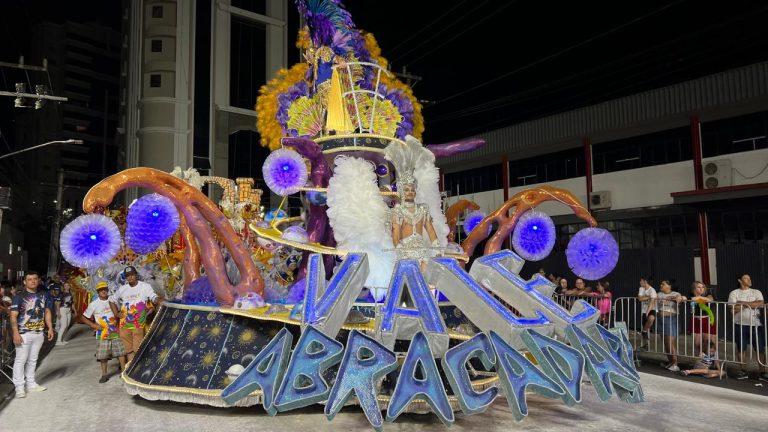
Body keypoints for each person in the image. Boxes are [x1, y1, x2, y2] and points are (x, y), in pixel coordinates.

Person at [10, 271, 54, 398]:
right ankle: (19, 387)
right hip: (23, 334)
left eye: (35, 279)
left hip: (39, 332)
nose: (33, 281)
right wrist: (15, 333)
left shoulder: (43, 295)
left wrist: (50, 328)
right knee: (20, 360)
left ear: (38, 280)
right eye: (29, 279)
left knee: (33, 360)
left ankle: (31, 384)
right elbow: (13, 316)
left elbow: (47, 311)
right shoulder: (19, 296)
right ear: (25, 282)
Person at [109, 266, 163, 362]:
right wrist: (116, 313)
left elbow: (153, 297)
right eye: (127, 276)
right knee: (129, 350)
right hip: (124, 323)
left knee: (138, 349)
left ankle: (137, 370)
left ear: (136, 275)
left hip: (138, 322)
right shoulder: (122, 289)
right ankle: (130, 369)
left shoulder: (145, 286)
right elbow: (111, 300)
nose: (130, 277)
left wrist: (159, 301)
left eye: (132, 275)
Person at [81, 281, 127, 383]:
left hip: (116, 331)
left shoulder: (114, 301)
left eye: (105, 289)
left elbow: (120, 312)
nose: (103, 291)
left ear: (107, 290)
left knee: (121, 352)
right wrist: (93, 325)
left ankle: (123, 372)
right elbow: (83, 318)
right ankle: (104, 374)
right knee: (103, 355)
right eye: (101, 290)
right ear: (98, 292)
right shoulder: (94, 304)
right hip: (102, 334)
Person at [727, 274, 767, 381]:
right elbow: (732, 309)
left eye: (750, 278)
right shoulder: (734, 293)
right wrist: (750, 305)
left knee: (760, 349)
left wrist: (742, 303)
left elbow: (761, 304)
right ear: (739, 280)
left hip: (756, 324)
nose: (749, 280)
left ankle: (763, 372)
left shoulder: (756, 292)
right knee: (741, 348)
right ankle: (743, 371)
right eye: (746, 278)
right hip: (740, 324)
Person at [656, 280, 685, 371]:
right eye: (661, 284)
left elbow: (680, 298)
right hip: (661, 319)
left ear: (669, 286)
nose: (661, 285)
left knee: (670, 342)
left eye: (663, 284)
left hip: (671, 319)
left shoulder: (675, 293)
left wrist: (674, 297)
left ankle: (675, 364)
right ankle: (670, 362)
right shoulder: (659, 294)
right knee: (665, 342)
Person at [688, 281, 716, 358]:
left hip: (707, 319)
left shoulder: (708, 294)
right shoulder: (690, 295)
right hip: (696, 319)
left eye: (703, 287)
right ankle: (702, 359)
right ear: (694, 288)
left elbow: (710, 299)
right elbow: (688, 298)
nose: (701, 289)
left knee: (708, 341)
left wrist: (698, 298)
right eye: (699, 287)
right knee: (697, 343)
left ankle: (711, 360)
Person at [637, 277, 657, 349]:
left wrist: (647, 312)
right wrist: (648, 297)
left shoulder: (652, 290)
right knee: (645, 324)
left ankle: (644, 331)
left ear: (645, 281)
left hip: (652, 308)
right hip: (644, 310)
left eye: (641, 281)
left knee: (651, 319)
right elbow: (640, 298)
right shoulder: (641, 288)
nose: (640, 282)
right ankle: (646, 345)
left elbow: (652, 302)